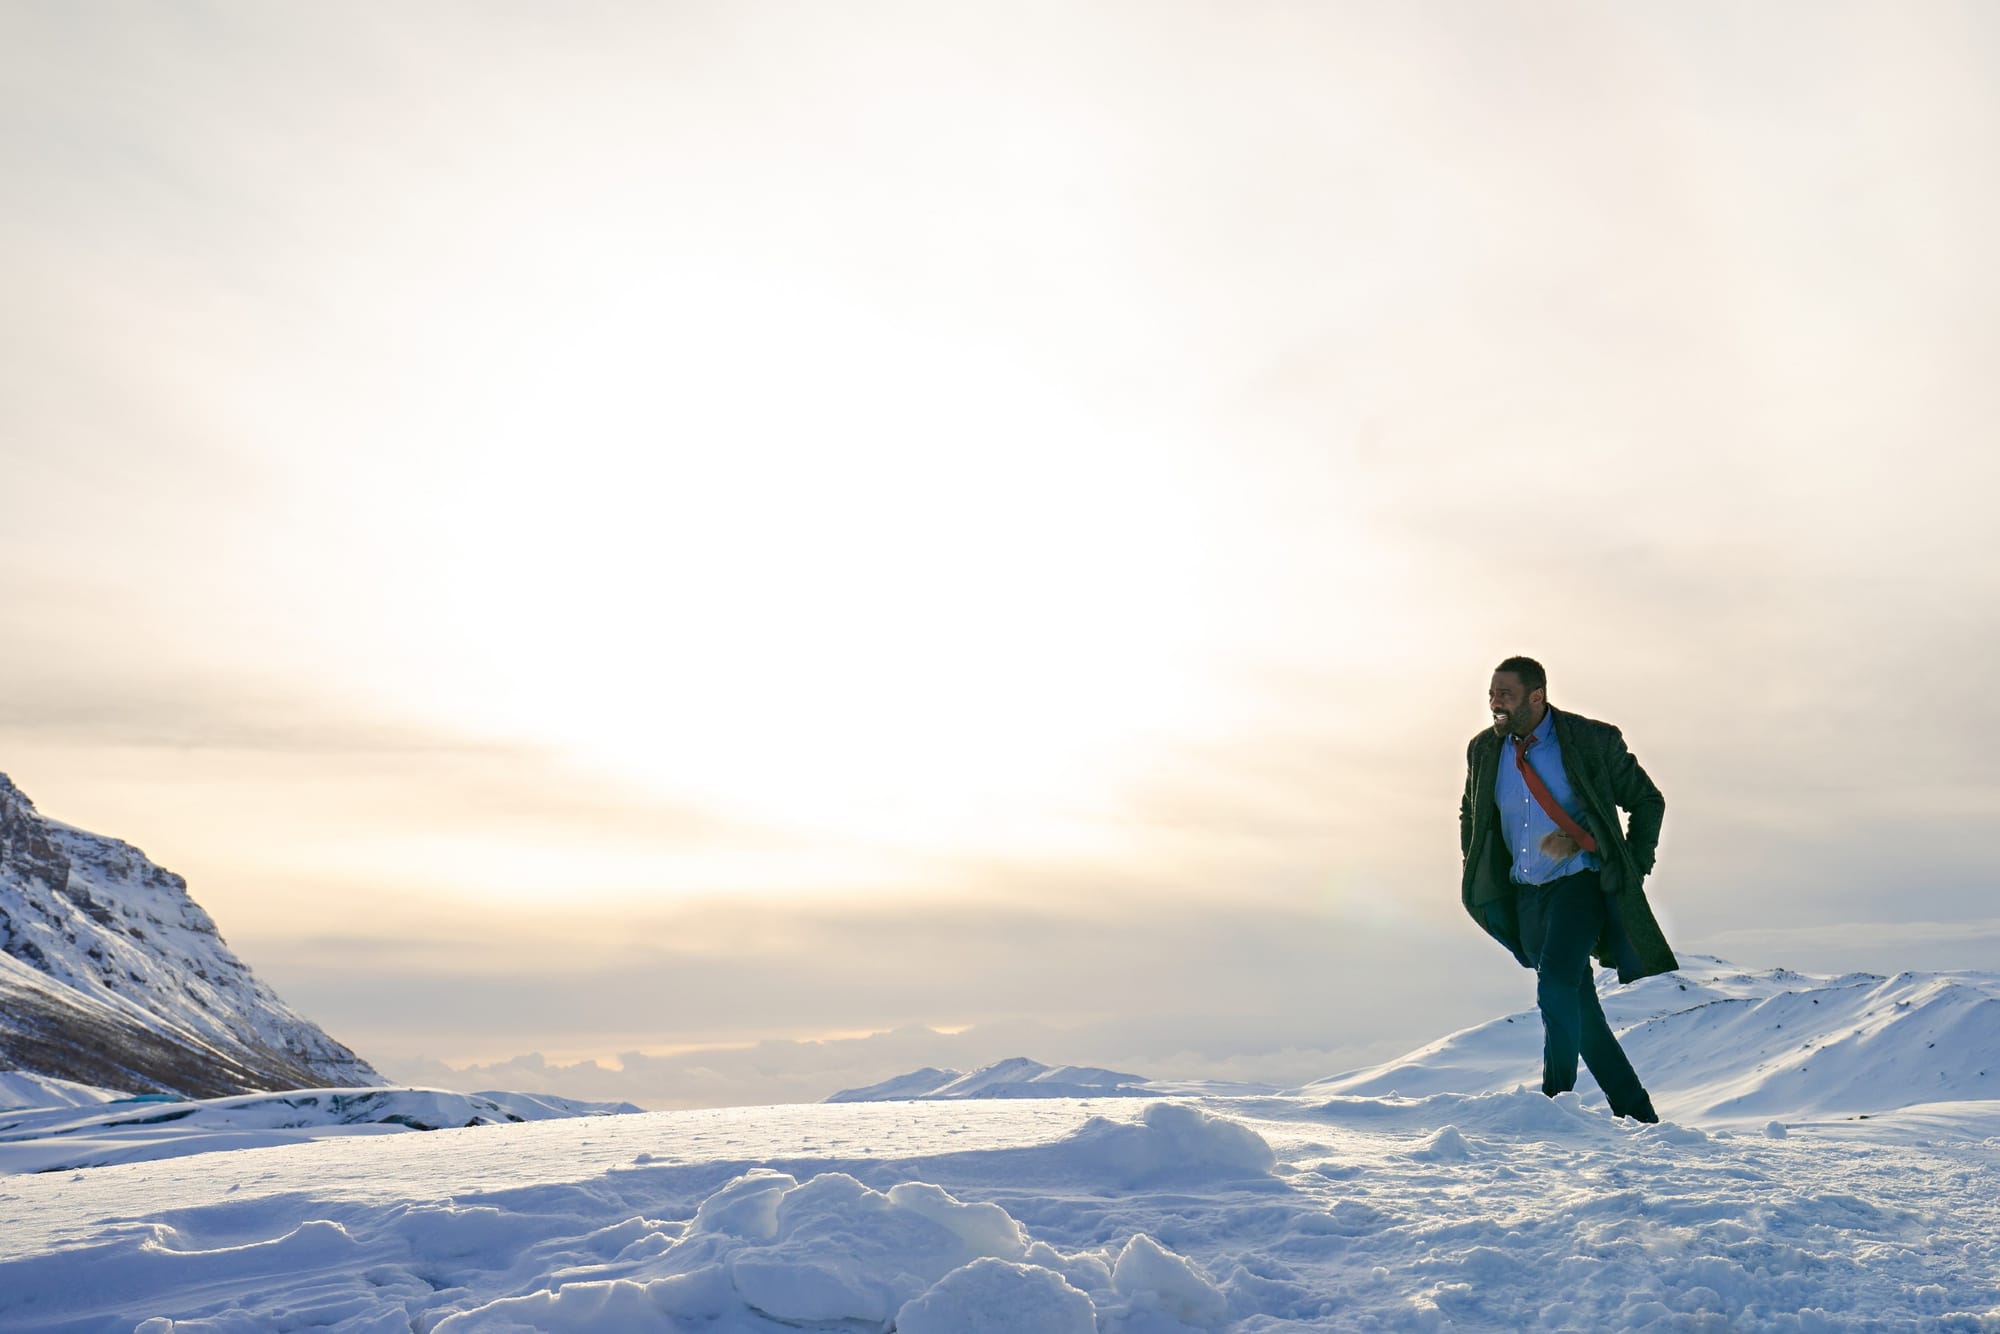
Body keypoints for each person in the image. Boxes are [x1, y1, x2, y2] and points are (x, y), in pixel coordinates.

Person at [1459, 655, 1676, 1123]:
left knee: (1556, 984)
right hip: (1525, 895)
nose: (1495, 702)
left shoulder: (1591, 741)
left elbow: (1647, 801)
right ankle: (1639, 1117)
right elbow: (1470, 814)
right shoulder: (1483, 750)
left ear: (1536, 697)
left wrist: (1629, 867)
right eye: (1492, 693)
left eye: (1506, 694)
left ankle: (1554, 1105)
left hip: (1579, 884)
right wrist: (1473, 865)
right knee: (1582, 1015)